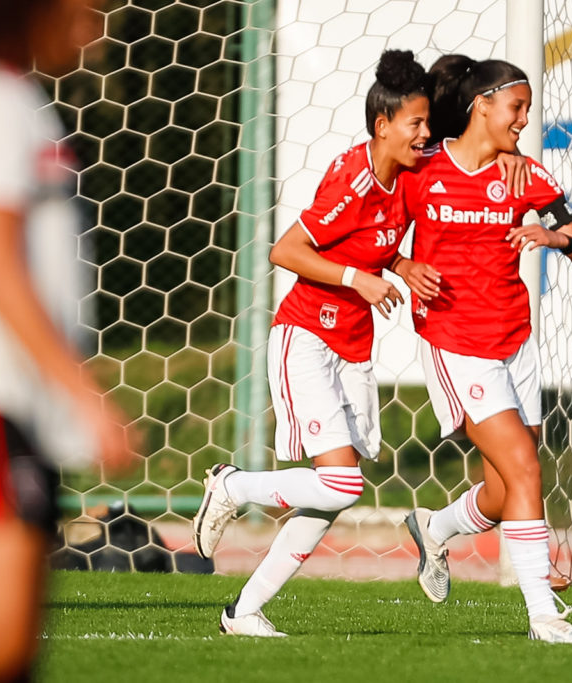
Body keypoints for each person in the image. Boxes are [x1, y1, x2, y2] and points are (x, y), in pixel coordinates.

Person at [190, 49, 444, 638]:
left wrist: (399, 265)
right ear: (383, 126)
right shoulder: (351, 180)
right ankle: (230, 485)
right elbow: (287, 251)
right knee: (342, 483)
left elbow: (373, 245)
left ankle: (243, 612)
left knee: (335, 494)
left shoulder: (407, 178)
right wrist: (362, 278)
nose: (425, 134)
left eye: (428, 122)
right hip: (305, 336)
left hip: (352, 348)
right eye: (416, 123)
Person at [0, 1, 136, 680]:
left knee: (4, 658)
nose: (102, 24)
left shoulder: (6, 95)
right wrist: (86, 395)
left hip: (14, 404)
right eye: (92, 7)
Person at [397, 54, 572, 644]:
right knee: (525, 467)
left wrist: (557, 236)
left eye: (528, 110)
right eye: (517, 107)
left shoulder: (526, 176)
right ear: (481, 105)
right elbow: (372, 237)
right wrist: (404, 263)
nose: (524, 119)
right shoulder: (422, 167)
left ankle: (434, 528)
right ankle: (544, 615)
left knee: (505, 487)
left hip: (514, 341)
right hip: (456, 342)